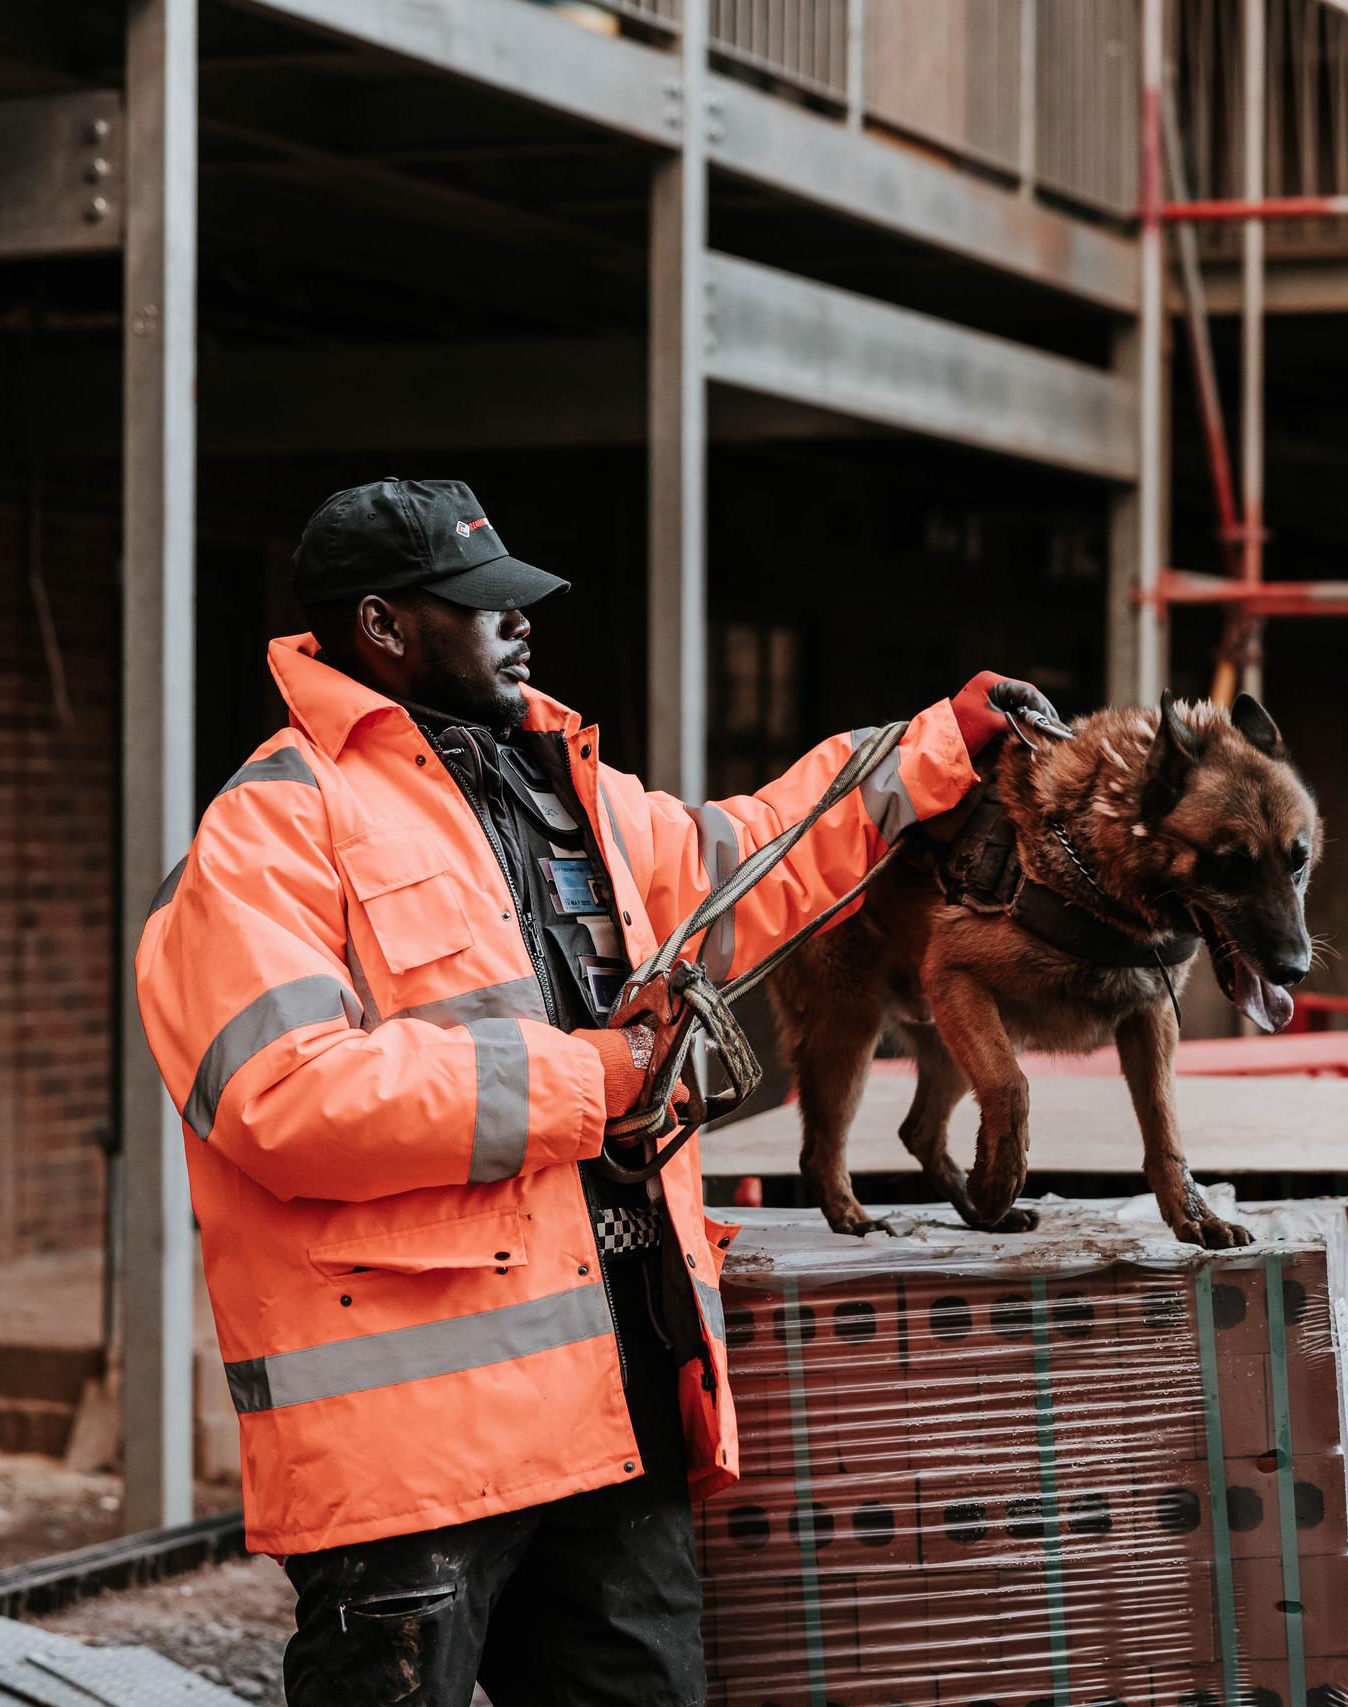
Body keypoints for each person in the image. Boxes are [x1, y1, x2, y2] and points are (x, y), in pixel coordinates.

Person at [133, 477, 1060, 1706]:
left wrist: (936, 742)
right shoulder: (270, 833)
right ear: (382, 628)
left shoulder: (567, 793)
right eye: (481, 604)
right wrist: (594, 1078)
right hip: (413, 1456)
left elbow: (749, 860)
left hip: (614, 1412)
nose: (520, 623)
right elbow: (283, 1095)